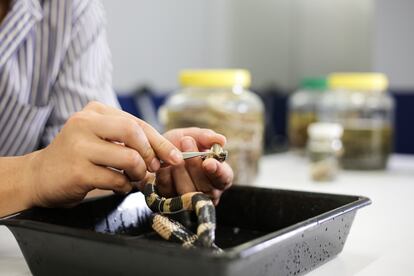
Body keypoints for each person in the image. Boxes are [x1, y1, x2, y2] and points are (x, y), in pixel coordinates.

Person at [0, 0, 233, 217]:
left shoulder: (72, 9)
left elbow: (74, 170)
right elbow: (46, 173)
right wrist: (32, 174)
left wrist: (143, 170)